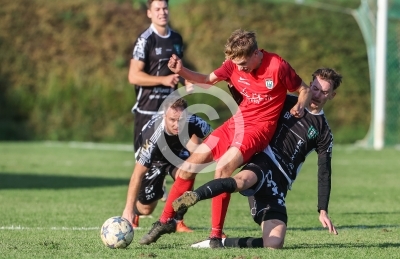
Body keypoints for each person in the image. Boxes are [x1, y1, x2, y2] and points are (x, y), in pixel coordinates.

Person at [139, 29, 311, 247]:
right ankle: (165, 221)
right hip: (235, 124)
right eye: (236, 64)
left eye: (243, 63)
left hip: (258, 130)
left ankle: (215, 235)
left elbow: (303, 89)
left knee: (223, 170)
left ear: (256, 53)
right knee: (187, 167)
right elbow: (206, 80)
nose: (239, 68)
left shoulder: (277, 66)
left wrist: (300, 104)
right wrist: (182, 70)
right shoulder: (232, 64)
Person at [173, 68, 342, 249]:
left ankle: (219, 243)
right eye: (314, 88)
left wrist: (322, 209)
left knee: (274, 244)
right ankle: (194, 196)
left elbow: (324, 171)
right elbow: (252, 106)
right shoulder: (286, 102)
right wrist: (233, 84)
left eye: (324, 91)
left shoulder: (324, 132)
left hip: (280, 183)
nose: (317, 94)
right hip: (264, 161)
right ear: (309, 85)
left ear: (332, 95)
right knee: (241, 181)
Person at [122, 96, 213, 233]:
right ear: (164, 116)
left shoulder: (194, 121)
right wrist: (128, 210)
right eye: (172, 120)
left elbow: (216, 138)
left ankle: (178, 220)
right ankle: (136, 212)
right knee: (146, 209)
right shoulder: (152, 135)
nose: (177, 125)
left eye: (180, 120)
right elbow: (137, 174)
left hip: (177, 154)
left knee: (187, 175)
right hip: (155, 160)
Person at [129, 0, 192, 152]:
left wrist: (187, 82)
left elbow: (178, 69)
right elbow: (134, 76)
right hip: (147, 110)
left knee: (174, 161)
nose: (162, 12)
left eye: (164, 8)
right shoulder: (145, 40)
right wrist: (163, 80)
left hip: (170, 111)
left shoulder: (176, 38)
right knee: (146, 165)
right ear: (149, 13)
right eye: (157, 9)